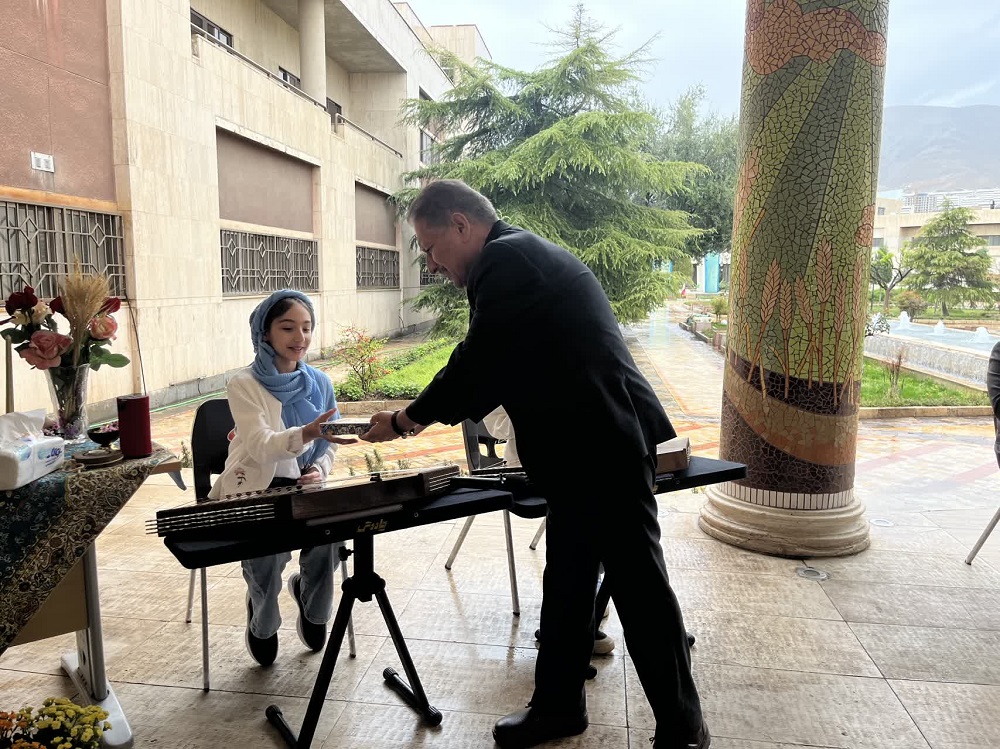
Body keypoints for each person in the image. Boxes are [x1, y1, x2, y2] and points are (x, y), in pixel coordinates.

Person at [363, 180, 709, 749]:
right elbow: (502, 365)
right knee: (569, 581)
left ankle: (684, 727)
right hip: (581, 452)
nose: (431, 263)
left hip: (604, 447)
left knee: (638, 587)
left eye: (430, 247)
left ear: (460, 225)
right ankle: (558, 707)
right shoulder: (514, 257)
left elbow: (477, 362)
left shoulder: (508, 260)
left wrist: (406, 420)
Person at [209, 290, 357, 667]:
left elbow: (329, 443)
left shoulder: (320, 382)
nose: (300, 337)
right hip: (256, 488)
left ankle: (313, 605)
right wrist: (307, 433)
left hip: (305, 489)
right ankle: (262, 620)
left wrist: (318, 469)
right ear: (265, 332)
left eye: (306, 328)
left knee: (330, 539)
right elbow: (260, 447)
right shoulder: (244, 384)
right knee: (267, 555)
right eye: (288, 327)